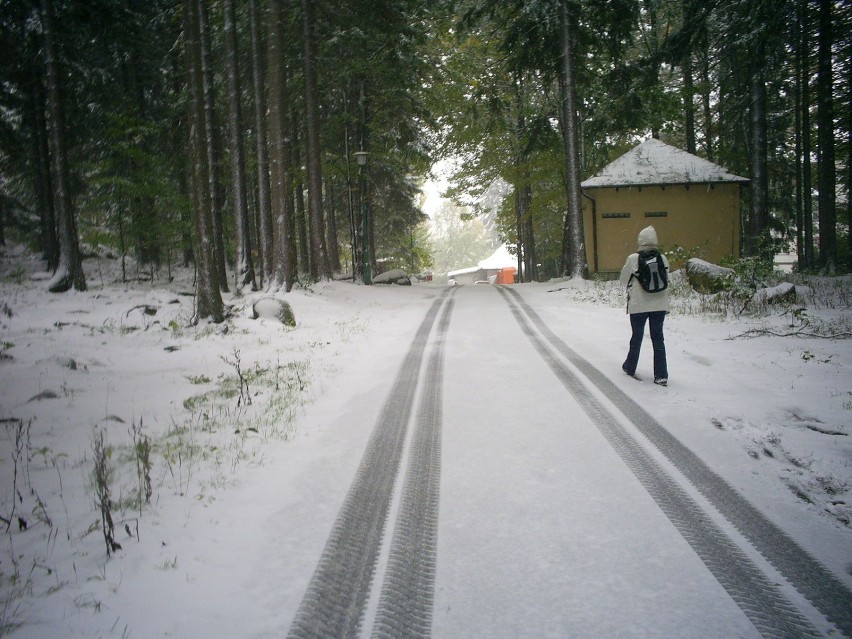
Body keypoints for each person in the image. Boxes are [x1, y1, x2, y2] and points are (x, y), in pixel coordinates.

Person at [619, 225, 670, 386]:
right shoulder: (663, 258)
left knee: (637, 337)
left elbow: (622, 279)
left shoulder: (633, 258)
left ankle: (630, 366)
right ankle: (661, 375)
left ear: (640, 241)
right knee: (658, 339)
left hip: (639, 306)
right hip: (659, 306)